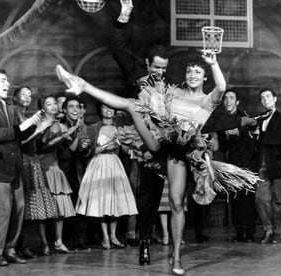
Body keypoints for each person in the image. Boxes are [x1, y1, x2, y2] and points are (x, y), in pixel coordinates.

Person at [55, 47, 226, 276]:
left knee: (176, 203)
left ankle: (176, 256)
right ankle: (81, 85)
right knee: (130, 104)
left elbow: (222, 87)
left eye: (197, 72)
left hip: (181, 153)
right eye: (189, 71)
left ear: (204, 76)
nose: (193, 75)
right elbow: (155, 104)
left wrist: (213, 63)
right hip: (159, 144)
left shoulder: (207, 100)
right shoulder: (174, 93)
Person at [110, 0, 168, 265]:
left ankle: (149, 237)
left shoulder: (167, 84)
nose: (159, 72)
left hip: (159, 142)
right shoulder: (134, 71)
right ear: (147, 63)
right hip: (135, 142)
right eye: (156, 68)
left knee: (153, 193)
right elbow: (117, 47)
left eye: (163, 69)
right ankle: (138, 238)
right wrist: (124, 16)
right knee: (138, 190)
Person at [0, 69, 42, 266]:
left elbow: (18, 137)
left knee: (19, 209)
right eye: (3, 80)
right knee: (2, 211)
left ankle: (10, 249)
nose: (8, 84)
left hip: (16, 167)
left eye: (8, 80)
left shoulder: (11, 108)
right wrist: (23, 126)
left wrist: (36, 125)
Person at [76, 103, 138, 249]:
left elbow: (124, 150)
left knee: (114, 200)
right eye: (105, 107)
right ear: (100, 110)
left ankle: (113, 236)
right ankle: (105, 237)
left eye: (111, 108)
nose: (109, 110)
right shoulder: (94, 128)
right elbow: (91, 151)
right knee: (103, 200)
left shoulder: (119, 127)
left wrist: (124, 140)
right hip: (99, 164)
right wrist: (108, 144)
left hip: (114, 164)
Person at [13, 86, 58, 258]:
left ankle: (23, 245)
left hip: (33, 161)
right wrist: (39, 129)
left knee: (30, 206)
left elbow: (34, 142)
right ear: (15, 97)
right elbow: (20, 141)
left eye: (29, 95)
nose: (27, 97)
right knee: (22, 205)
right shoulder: (14, 114)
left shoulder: (27, 116)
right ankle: (15, 246)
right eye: (23, 94)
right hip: (23, 160)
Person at [36, 94, 78, 255]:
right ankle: (44, 243)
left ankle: (58, 241)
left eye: (54, 103)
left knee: (60, 204)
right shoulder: (39, 124)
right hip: (41, 167)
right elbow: (41, 147)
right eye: (48, 104)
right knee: (42, 208)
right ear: (42, 108)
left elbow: (67, 147)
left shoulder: (60, 125)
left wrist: (73, 131)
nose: (53, 106)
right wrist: (60, 136)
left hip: (54, 167)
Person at [216, 90, 258, 243]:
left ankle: (250, 231)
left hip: (247, 164)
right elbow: (223, 148)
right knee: (235, 199)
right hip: (231, 165)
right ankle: (240, 231)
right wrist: (227, 136)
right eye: (225, 99)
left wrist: (239, 133)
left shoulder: (245, 117)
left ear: (237, 101)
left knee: (247, 198)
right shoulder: (221, 121)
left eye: (231, 98)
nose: (228, 101)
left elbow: (253, 143)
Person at [255, 88, 281, 244]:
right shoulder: (259, 119)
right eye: (262, 97)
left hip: (278, 165)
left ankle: (278, 232)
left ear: (275, 99)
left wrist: (259, 136)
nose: (265, 99)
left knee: (279, 200)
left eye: (268, 96)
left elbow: (279, 139)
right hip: (261, 164)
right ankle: (267, 229)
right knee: (261, 199)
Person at [57, 95, 90, 250]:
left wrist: (85, 148)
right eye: (71, 106)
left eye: (78, 106)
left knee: (80, 205)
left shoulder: (84, 126)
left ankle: (80, 241)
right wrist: (77, 132)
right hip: (63, 170)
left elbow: (84, 152)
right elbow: (66, 152)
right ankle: (66, 241)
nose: (75, 109)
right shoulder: (59, 126)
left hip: (79, 170)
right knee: (66, 207)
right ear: (64, 110)